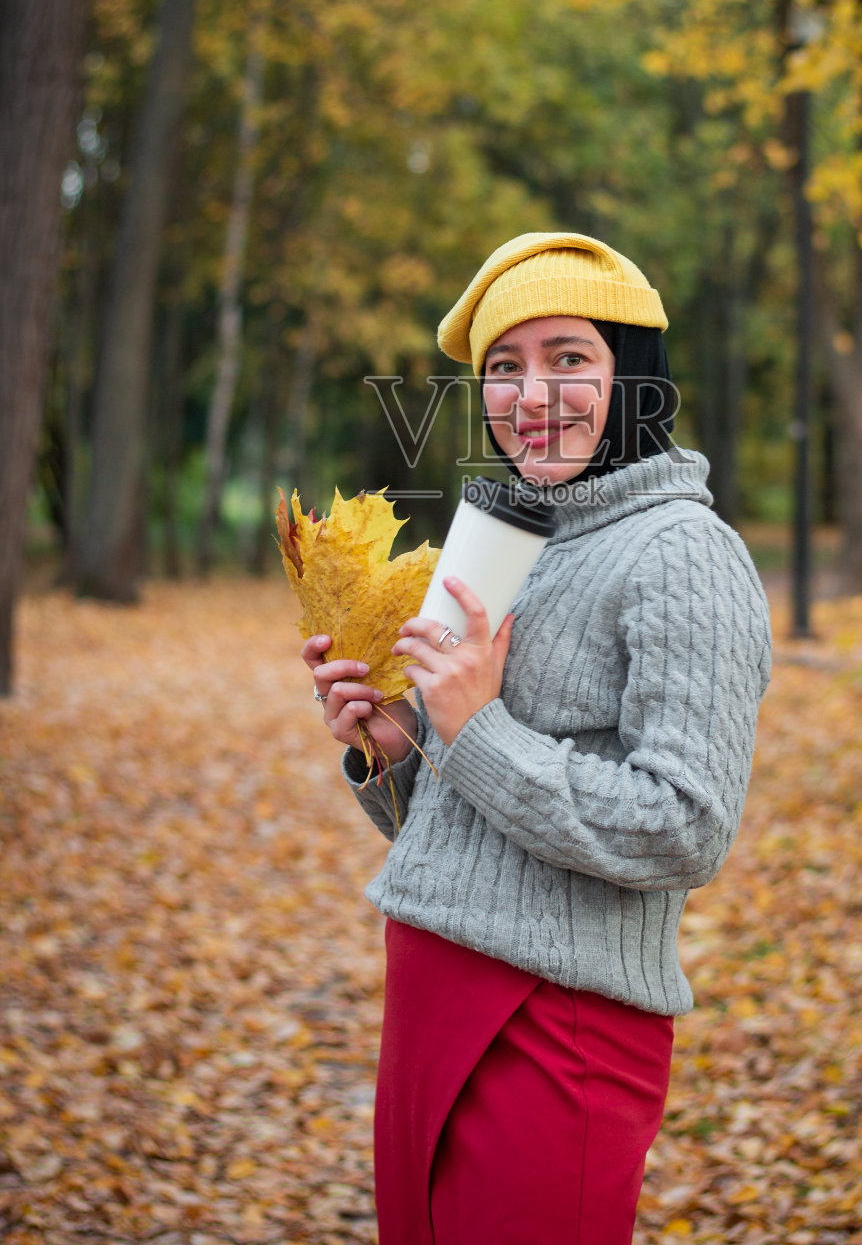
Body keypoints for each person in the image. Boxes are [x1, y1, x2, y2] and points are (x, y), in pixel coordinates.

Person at [301, 231, 772, 1245]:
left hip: (558, 1022)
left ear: (631, 377)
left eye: (568, 358)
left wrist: (472, 727)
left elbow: (683, 827)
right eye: (503, 369)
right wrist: (392, 752)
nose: (530, 393)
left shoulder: (685, 553)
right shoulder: (508, 541)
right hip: (427, 988)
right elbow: (466, 823)